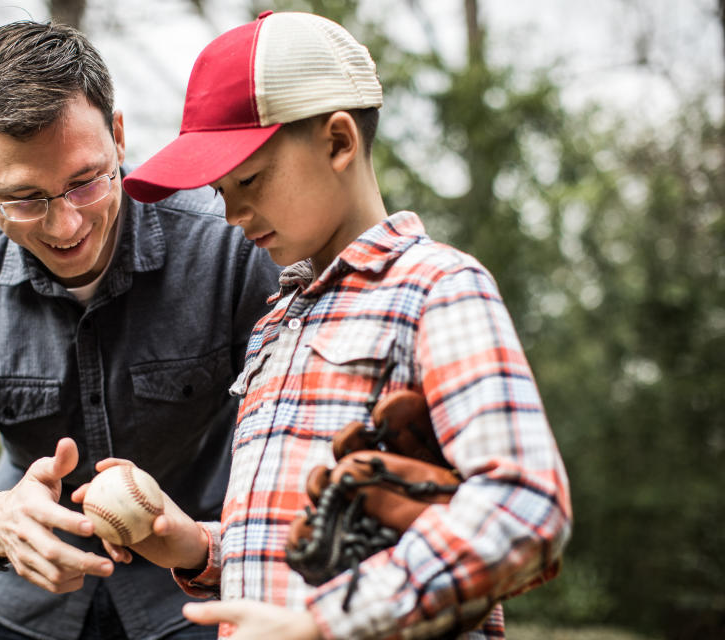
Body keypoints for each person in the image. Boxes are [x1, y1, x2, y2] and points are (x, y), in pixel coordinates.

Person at [106, 11, 573, 639]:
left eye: (249, 179)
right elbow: (294, 544)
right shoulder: (278, 319)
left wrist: (324, 624)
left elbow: (527, 506)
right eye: (221, 191)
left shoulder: (436, 289)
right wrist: (197, 545)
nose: (233, 213)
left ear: (338, 142)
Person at [0, 20, 281, 640]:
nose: (65, 224)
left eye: (85, 181)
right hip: (17, 609)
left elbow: (293, 454)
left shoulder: (228, 244)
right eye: (24, 199)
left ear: (119, 136)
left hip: (191, 598)